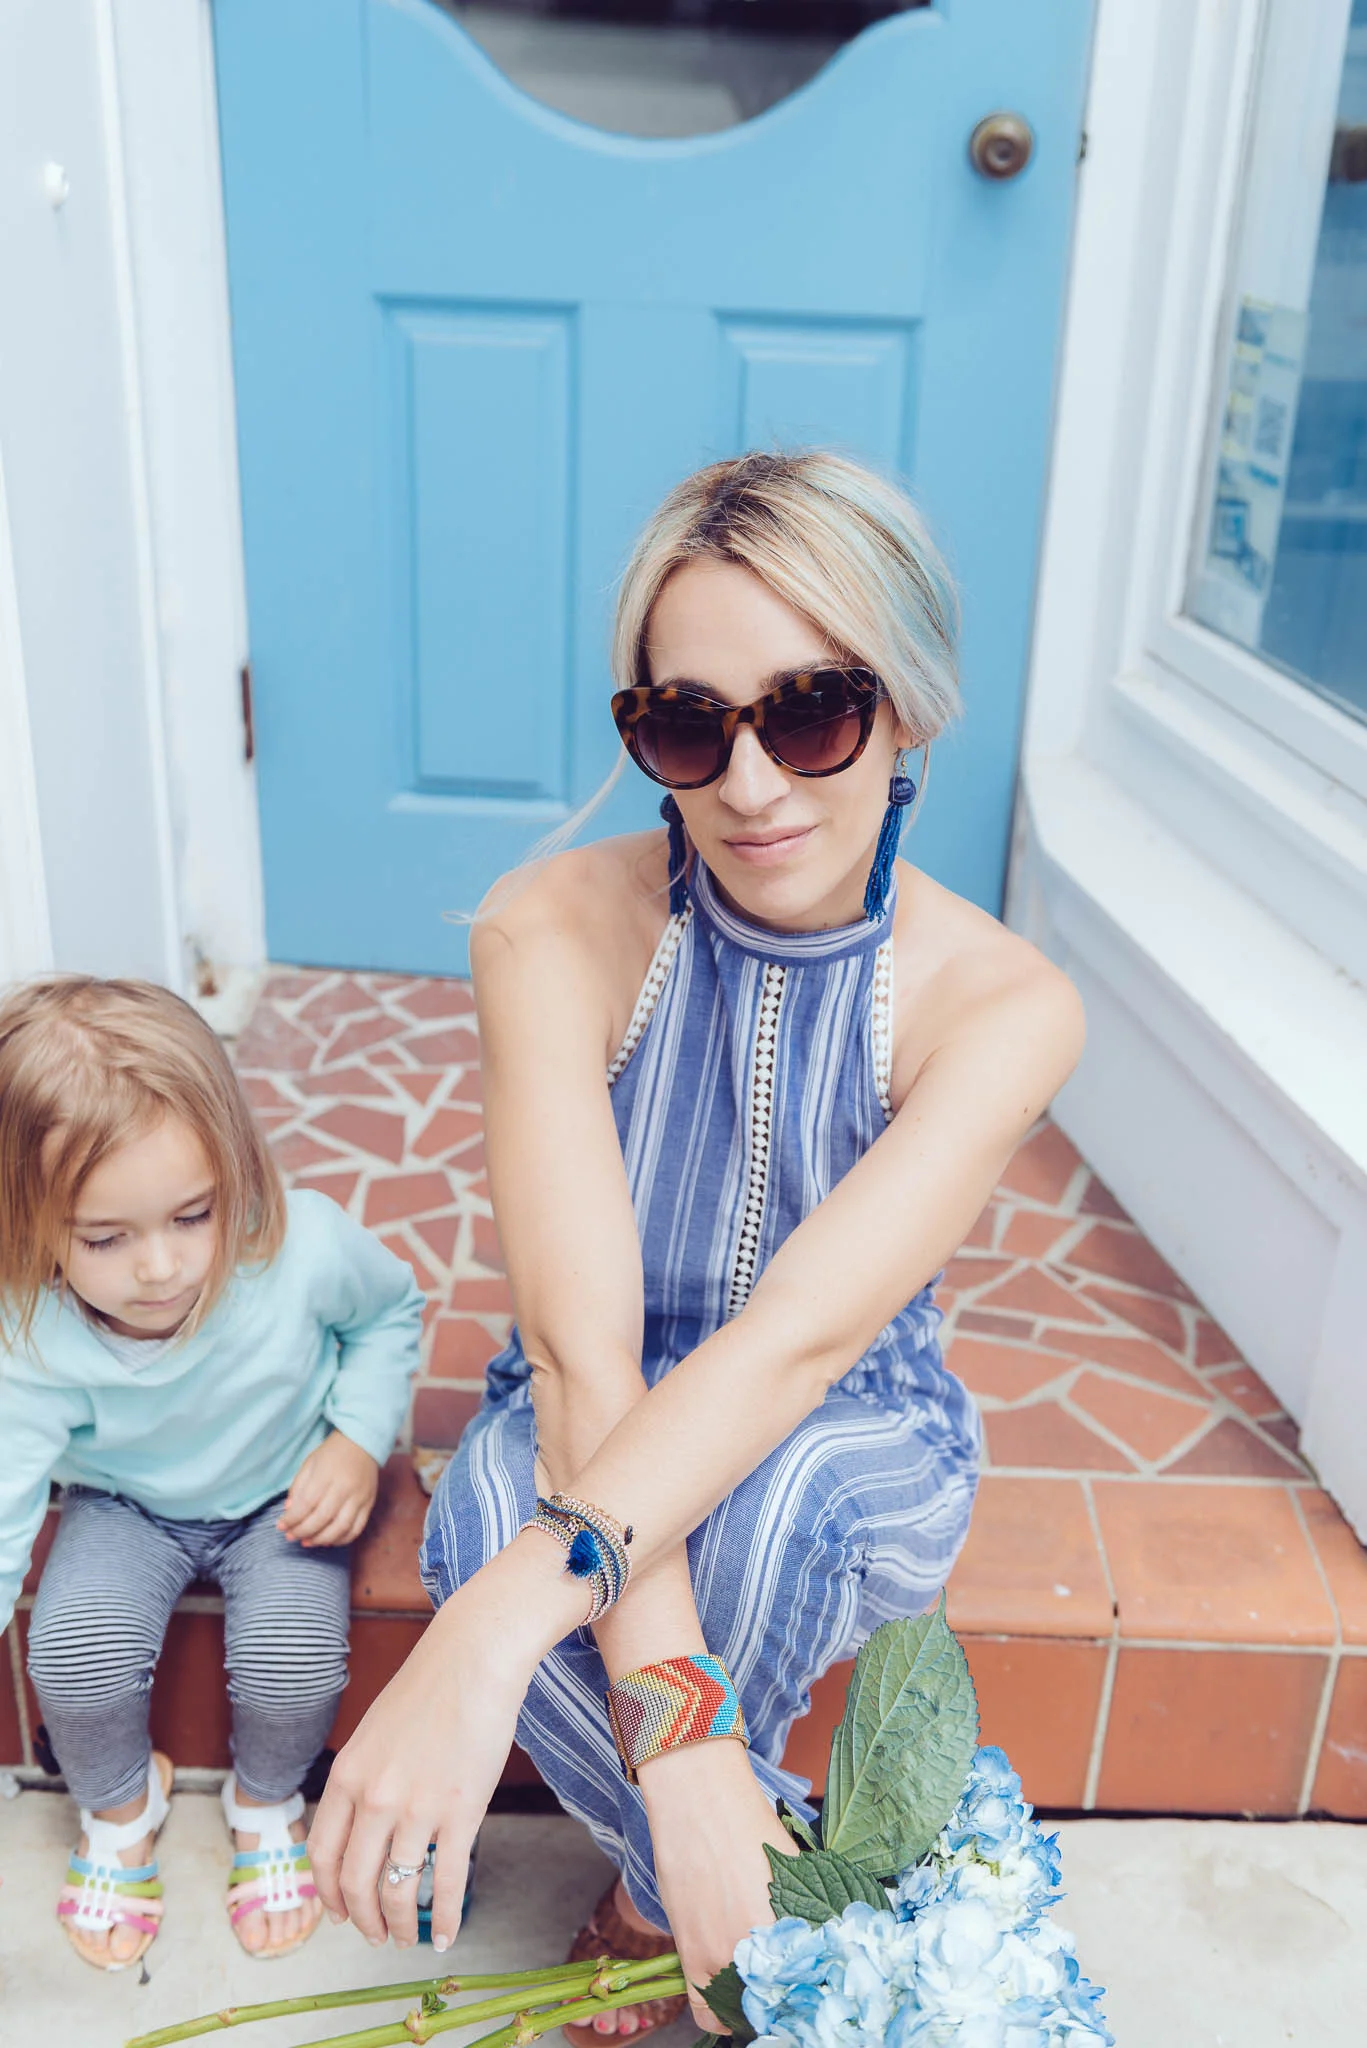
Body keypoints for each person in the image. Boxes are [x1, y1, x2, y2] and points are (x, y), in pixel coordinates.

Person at [308, 451, 1085, 2040]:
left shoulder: (1002, 1003)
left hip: (848, 1417)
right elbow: (583, 1348)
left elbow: (796, 1342)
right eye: (685, 724)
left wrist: (507, 1634)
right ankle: (734, 1887)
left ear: (908, 707)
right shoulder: (546, 925)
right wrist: (675, 1734)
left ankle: (671, 1890)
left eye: (808, 714)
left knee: (758, 1508)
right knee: (494, 1505)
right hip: (590, 1397)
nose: (745, 785)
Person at [0, 977, 423, 1972]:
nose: (161, 1267)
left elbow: (387, 1316)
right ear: (30, 1222)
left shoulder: (299, 1245)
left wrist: (355, 1440)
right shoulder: (27, 1329)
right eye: (105, 1238)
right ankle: (120, 1807)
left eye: (194, 1214)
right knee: (71, 1654)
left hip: (284, 1493)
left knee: (294, 1660)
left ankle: (266, 1800)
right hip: (126, 1503)